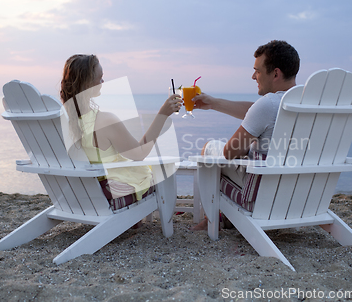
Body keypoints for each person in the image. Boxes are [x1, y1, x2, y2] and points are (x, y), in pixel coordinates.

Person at [190, 40, 300, 230]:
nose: (253, 76)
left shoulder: (268, 104)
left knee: (210, 148)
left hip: (260, 199)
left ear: (275, 73)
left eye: (257, 70)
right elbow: (258, 113)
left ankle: (212, 218)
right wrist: (214, 103)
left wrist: (248, 145)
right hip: (299, 198)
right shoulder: (307, 104)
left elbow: (230, 153)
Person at [60, 54, 181, 211]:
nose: (102, 82)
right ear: (88, 84)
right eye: (100, 78)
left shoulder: (65, 121)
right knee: (164, 169)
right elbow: (139, 154)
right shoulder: (104, 120)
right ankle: (169, 217)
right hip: (106, 191)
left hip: (79, 190)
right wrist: (163, 115)